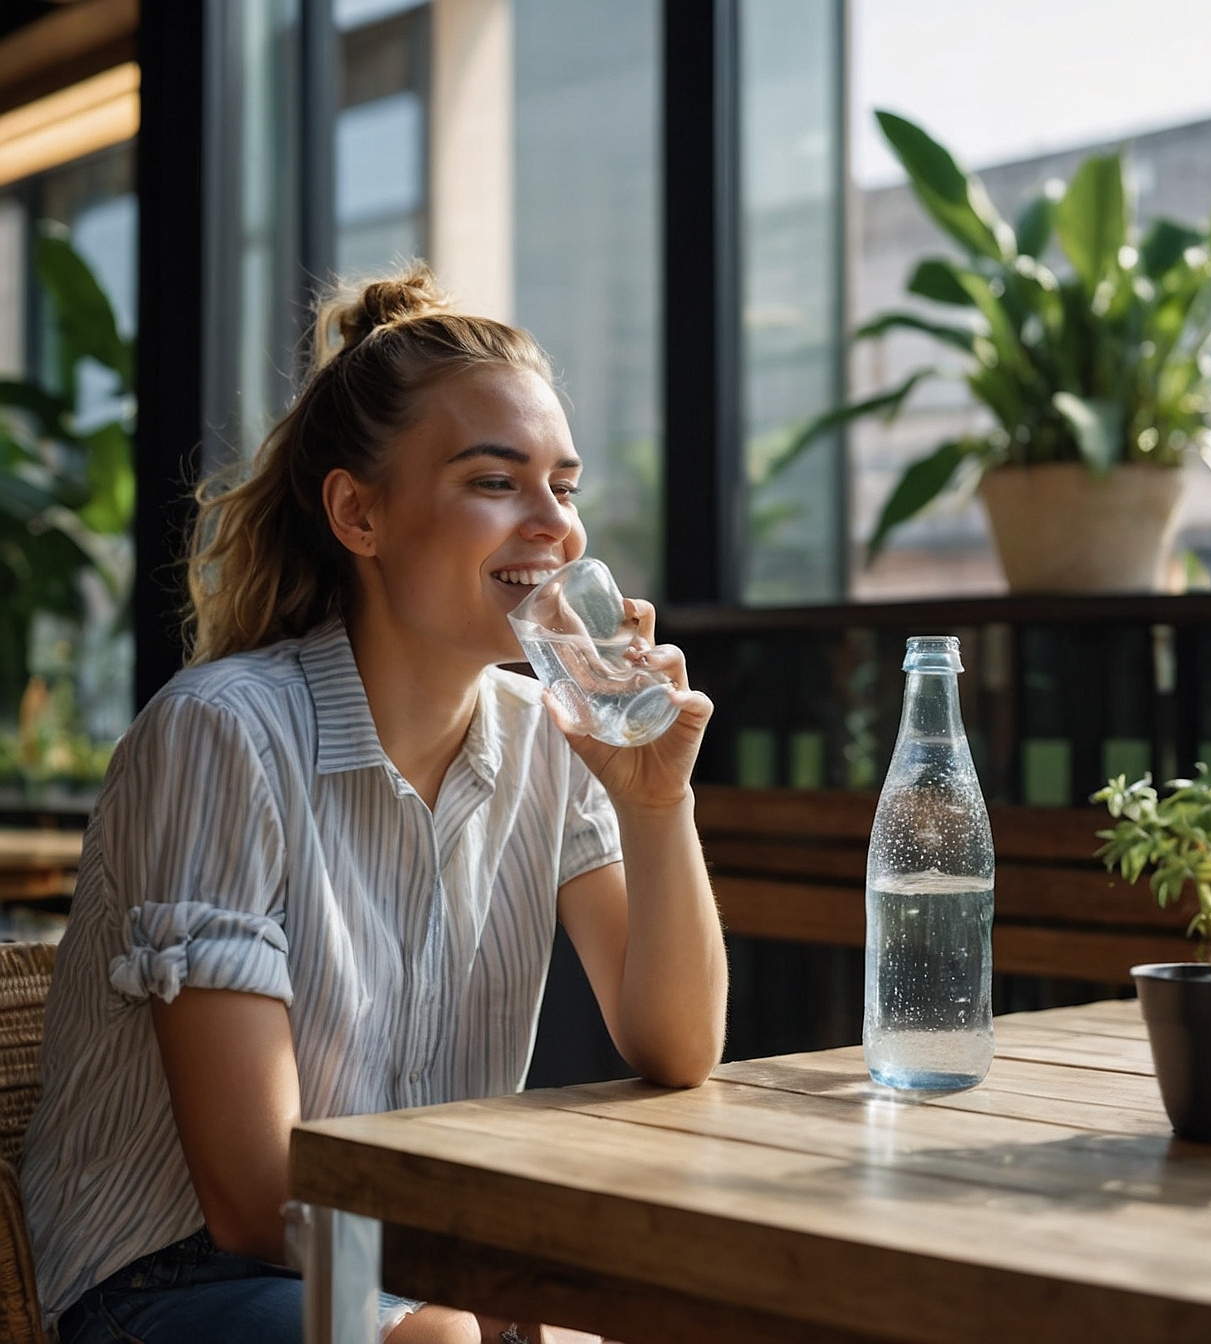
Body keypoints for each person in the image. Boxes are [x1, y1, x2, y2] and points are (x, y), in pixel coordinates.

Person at [21, 265, 729, 1344]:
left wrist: (654, 803)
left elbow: (676, 1048)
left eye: (566, 487)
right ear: (359, 512)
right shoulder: (226, 733)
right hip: (177, 1282)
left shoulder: (548, 734)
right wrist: (481, 1286)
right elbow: (255, 1199)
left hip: (419, 1259)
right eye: (498, 482)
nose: (556, 528)